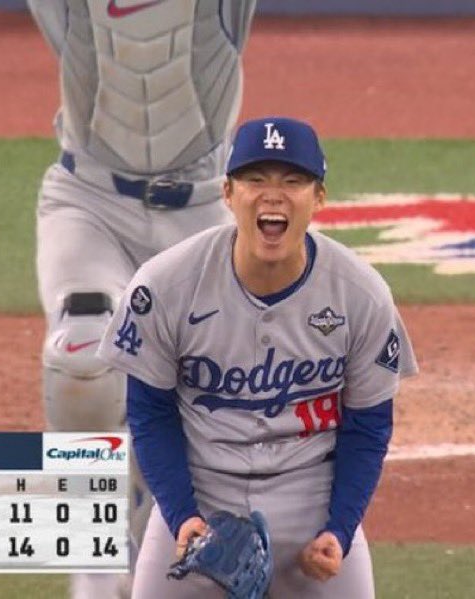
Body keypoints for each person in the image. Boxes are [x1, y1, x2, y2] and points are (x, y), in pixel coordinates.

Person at [96, 116, 418, 598]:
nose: (274, 195)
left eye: (293, 180)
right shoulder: (166, 285)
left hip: (312, 500)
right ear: (227, 193)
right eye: (255, 179)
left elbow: (369, 426)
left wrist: (339, 530)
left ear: (319, 197)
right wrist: (183, 516)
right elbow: (150, 412)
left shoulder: (360, 295)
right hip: (200, 499)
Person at [25, 1, 259, 597]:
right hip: (90, 202)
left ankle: (157, 559)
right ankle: (94, 569)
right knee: (83, 358)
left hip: (204, 210)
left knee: (202, 408)